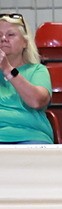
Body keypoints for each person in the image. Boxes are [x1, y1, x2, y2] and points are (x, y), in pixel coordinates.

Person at [0, 13, 54, 144]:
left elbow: (37, 101)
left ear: (25, 42)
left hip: (30, 136)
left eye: (10, 35)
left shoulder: (37, 70)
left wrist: (7, 69)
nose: (3, 39)